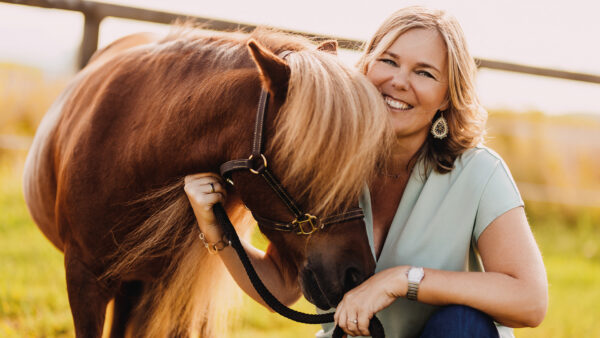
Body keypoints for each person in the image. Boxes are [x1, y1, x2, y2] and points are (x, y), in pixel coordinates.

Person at [184, 6, 548, 338]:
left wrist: (401, 281)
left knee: (463, 325)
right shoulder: (328, 159)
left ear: (447, 97)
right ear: (367, 65)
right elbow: (282, 286)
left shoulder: (479, 173)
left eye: (424, 72)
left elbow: (530, 300)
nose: (399, 81)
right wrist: (216, 227)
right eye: (389, 62)